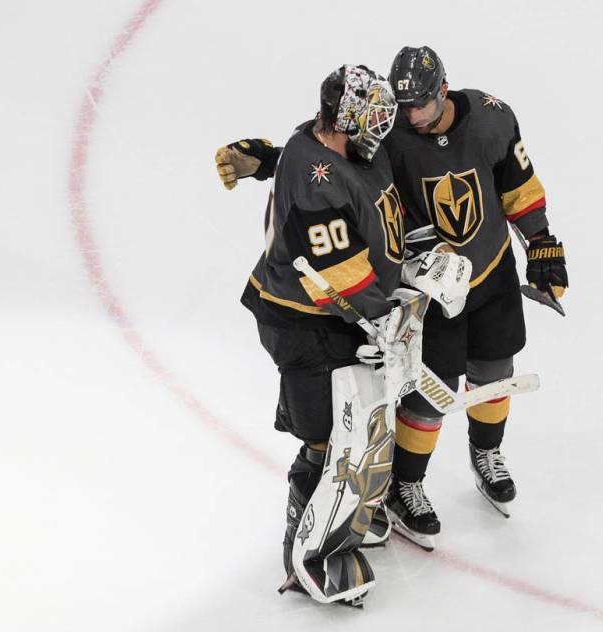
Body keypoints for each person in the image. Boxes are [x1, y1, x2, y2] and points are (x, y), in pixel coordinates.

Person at [216, 47, 566, 551]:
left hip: (465, 279)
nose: (400, 120)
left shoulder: (478, 121)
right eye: (393, 111)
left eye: (412, 107)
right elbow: (319, 166)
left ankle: (479, 457)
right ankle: (385, 498)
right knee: (399, 402)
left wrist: (541, 242)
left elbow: (518, 186)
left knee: (490, 369)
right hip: (378, 300)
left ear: (442, 90)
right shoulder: (374, 141)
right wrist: (270, 160)